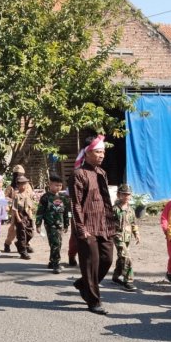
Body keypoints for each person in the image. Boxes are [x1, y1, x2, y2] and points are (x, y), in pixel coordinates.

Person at [70, 135, 117, 315]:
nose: (101, 155)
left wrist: (112, 225)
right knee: (91, 264)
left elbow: (106, 201)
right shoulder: (78, 174)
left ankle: (83, 284)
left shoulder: (101, 173)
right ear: (88, 153)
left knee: (107, 259)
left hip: (104, 225)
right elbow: (75, 204)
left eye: (103, 152)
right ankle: (93, 300)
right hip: (87, 227)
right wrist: (81, 229)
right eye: (98, 152)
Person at [36, 175, 71, 274]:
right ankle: (56, 264)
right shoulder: (45, 197)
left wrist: (67, 224)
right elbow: (40, 211)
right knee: (55, 243)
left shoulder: (63, 197)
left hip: (60, 224)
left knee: (58, 243)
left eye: (60, 185)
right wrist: (38, 224)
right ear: (50, 185)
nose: (58, 187)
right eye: (56, 185)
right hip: (50, 224)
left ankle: (52, 261)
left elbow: (66, 211)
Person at [112, 184, 141, 290]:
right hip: (118, 236)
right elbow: (108, 223)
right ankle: (128, 281)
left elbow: (133, 223)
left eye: (128, 195)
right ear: (119, 195)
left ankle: (116, 276)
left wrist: (136, 234)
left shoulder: (131, 209)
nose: (126, 197)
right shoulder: (114, 209)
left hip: (128, 237)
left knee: (121, 257)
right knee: (126, 257)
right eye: (124, 194)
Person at [11, 175, 35, 260]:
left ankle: (20, 244)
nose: (24, 186)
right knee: (22, 235)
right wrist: (18, 218)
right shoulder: (17, 196)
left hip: (28, 217)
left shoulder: (28, 195)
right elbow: (15, 209)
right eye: (21, 184)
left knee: (30, 233)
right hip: (20, 217)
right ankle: (23, 252)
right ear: (18, 185)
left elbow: (31, 206)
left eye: (25, 183)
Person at [3, 165, 26, 253]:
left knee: (27, 229)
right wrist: (10, 202)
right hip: (15, 211)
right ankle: (7, 243)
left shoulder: (27, 186)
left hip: (26, 211)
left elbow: (31, 196)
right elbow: (5, 198)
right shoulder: (11, 188)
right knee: (14, 229)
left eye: (21, 174)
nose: (19, 176)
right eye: (17, 175)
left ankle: (25, 244)